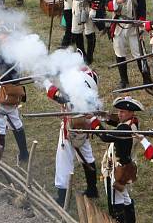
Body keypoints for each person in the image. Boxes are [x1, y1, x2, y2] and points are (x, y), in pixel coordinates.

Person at [44, 68, 101, 204]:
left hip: (72, 126)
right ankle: (92, 189)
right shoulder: (89, 75)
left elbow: (54, 93)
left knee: (63, 161)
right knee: (87, 156)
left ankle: (62, 195)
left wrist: (48, 83)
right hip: (83, 125)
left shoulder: (77, 81)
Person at [0, 24, 30, 163]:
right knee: (15, 122)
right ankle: (24, 154)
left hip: (5, 93)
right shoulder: (10, 49)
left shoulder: (7, 51)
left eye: (1, 34)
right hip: (9, 91)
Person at [97, 96, 144, 221]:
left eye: (122, 112)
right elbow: (116, 121)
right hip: (126, 165)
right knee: (125, 197)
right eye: (119, 111)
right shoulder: (133, 122)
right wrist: (102, 115)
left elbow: (105, 137)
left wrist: (94, 123)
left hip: (117, 169)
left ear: (131, 112)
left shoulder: (125, 128)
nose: (119, 114)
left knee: (115, 201)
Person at [106, 0, 148, 88]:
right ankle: (124, 80)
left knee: (139, 53)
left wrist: (141, 27)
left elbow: (142, 10)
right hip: (119, 24)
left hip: (134, 25)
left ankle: (146, 79)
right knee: (120, 51)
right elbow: (107, 5)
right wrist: (116, 1)